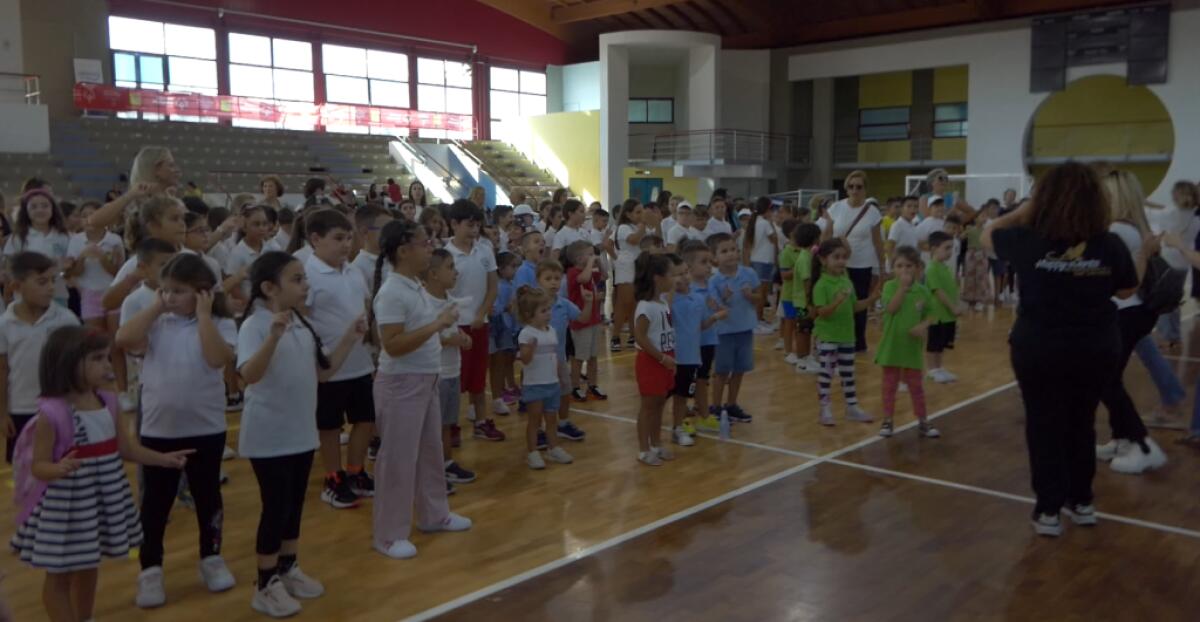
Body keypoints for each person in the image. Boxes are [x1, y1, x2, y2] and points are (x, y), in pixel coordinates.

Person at [984, 162, 1137, 536]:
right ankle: (1082, 501)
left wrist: (1024, 209)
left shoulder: (1026, 239)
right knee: (1081, 422)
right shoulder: (1110, 244)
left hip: (1039, 347)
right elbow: (1126, 290)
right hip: (1095, 346)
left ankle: (1049, 509)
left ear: (1044, 200)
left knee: (1043, 422)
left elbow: (988, 233)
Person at [11, 326, 190, 622]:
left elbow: (126, 449)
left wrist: (163, 459)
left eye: (107, 358)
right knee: (59, 576)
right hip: (67, 506)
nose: (108, 366)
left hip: (99, 500)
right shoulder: (53, 413)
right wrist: (57, 469)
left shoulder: (108, 402)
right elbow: (39, 466)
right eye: (97, 359)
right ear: (67, 363)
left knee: (88, 565)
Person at [237, 251, 364, 617]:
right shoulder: (256, 326)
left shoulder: (300, 324)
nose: (305, 285)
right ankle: (264, 584)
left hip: (300, 432)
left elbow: (324, 373)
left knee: (293, 506)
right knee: (274, 507)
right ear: (268, 288)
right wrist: (273, 338)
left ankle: (287, 566)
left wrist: (350, 338)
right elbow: (250, 375)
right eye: (297, 279)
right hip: (268, 435)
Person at [114, 253, 238, 608]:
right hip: (158, 431)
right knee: (155, 504)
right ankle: (150, 569)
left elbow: (217, 359)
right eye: (165, 291)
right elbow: (123, 339)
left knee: (207, 498)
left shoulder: (218, 323)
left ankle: (211, 557)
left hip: (205, 428)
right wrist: (156, 308)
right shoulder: (155, 322)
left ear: (202, 293)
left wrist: (202, 315)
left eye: (178, 291)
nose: (169, 297)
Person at [370, 219, 471, 560]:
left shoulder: (413, 287)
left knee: (430, 452)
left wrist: (445, 329)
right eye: (424, 243)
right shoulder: (392, 292)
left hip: (425, 381)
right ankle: (389, 534)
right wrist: (438, 325)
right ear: (403, 251)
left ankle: (434, 514)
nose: (430, 247)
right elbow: (393, 344)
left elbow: (425, 333)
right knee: (398, 461)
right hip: (401, 384)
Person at [1093, 168, 1169, 475]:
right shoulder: (1132, 228)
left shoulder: (1116, 231)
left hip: (1123, 313)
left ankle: (1142, 445)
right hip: (1134, 313)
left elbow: (1120, 285)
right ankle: (1122, 438)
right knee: (1111, 378)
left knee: (1104, 381)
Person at [302, 209, 378, 508]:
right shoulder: (308, 275)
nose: (346, 244)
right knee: (330, 426)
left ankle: (356, 471)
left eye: (348, 237)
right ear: (315, 239)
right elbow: (304, 320)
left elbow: (365, 306)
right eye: (338, 238)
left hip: (360, 361)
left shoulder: (353, 270)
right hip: (330, 366)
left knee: (365, 420)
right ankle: (333, 478)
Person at [2, 253, 82, 463]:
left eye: (53, 280)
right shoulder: (4, 324)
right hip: (21, 408)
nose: (50, 287)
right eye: (41, 282)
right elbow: (2, 370)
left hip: (62, 407)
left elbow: (78, 367)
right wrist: (3, 413)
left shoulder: (66, 320)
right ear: (16, 286)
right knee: (25, 474)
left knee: (61, 467)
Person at [444, 200, 502, 442]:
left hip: (480, 323)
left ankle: (480, 421)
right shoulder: (445, 254)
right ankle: (452, 425)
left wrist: (481, 314)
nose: (474, 229)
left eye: (477, 224)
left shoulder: (485, 250)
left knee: (479, 376)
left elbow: (493, 286)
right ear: (454, 224)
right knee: (455, 379)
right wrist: (452, 321)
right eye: (469, 224)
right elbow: (440, 290)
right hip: (455, 326)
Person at [422, 249, 478, 489]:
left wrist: (462, 337)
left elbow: (451, 331)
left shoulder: (448, 300)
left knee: (446, 423)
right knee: (432, 427)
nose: (456, 272)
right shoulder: (425, 302)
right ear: (434, 274)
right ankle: (430, 471)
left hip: (452, 369)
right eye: (449, 267)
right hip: (436, 372)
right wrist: (449, 339)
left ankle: (445, 464)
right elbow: (424, 337)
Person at [811, 238, 878, 426]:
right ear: (824, 260)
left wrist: (871, 300)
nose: (841, 261)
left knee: (848, 373)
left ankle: (852, 407)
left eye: (843, 257)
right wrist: (837, 301)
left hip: (847, 335)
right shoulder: (821, 285)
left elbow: (855, 306)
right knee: (826, 373)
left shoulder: (846, 281)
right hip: (828, 337)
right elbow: (822, 312)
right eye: (836, 257)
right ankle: (824, 408)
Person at [875, 246, 939, 439]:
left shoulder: (922, 291)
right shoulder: (889, 287)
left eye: (908, 266)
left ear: (917, 268)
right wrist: (902, 289)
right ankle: (887, 420)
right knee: (889, 386)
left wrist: (923, 325)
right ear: (893, 268)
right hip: (892, 347)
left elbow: (932, 313)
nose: (904, 270)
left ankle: (923, 421)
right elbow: (892, 309)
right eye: (899, 265)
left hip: (912, 348)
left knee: (916, 387)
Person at [516, 284, 578, 470]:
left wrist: (559, 373)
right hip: (535, 384)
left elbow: (555, 356)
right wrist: (531, 349)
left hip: (552, 383)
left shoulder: (551, 331)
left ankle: (554, 447)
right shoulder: (526, 333)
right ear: (529, 314)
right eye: (543, 310)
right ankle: (532, 452)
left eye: (548, 309)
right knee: (535, 420)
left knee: (551, 419)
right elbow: (525, 361)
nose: (548, 313)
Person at [824, 171, 885, 352]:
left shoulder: (872, 212)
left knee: (859, 303)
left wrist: (882, 265)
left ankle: (858, 341)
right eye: (851, 186)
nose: (854, 190)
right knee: (837, 300)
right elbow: (827, 234)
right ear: (846, 188)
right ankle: (837, 338)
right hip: (838, 263)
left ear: (865, 189)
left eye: (859, 186)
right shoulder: (836, 208)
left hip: (862, 264)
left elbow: (878, 242)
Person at [706, 232, 759, 425]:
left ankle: (732, 404)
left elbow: (759, 297)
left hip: (745, 329)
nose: (730, 254)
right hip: (724, 332)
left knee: (739, 370)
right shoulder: (713, 281)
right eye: (724, 251)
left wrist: (750, 296)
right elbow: (715, 307)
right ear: (714, 257)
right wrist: (726, 298)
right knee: (722, 371)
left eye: (733, 250)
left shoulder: (749, 273)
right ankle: (716, 406)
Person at [633, 253, 676, 466]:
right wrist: (661, 358)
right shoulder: (645, 306)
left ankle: (657, 443)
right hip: (652, 361)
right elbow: (640, 336)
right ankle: (643, 448)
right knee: (648, 405)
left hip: (665, 358)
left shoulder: (662, 302)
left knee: (660, 403)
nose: (674, 279)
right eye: (671, 275)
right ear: (658, 278)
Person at [4, 189, 71, 307]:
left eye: (45, 206)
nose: (40, 210)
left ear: (53, 209)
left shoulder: (64, 236)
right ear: (26, 212)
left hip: (57, 294)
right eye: (33, 207)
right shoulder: (19, 237)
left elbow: (71, 264)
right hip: (26, 296)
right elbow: (9, 267)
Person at [64, 203, 124, 332]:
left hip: (112, 292)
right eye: (84, 216)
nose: (88, 219)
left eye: (92, 214)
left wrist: (102, 258)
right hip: (89, 295)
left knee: (114, 338)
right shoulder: (76, 240)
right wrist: (82, 257)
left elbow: (117, 272)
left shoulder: (114, 240)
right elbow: (75, 272)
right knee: (94, 337)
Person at [564, 240, 607, 402]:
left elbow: (604, 275)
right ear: (578, 258)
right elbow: (585, 277)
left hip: (594, 319)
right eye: (589, 254)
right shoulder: (573, 272)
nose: (592, 257)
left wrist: (599, 262)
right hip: (580, 322)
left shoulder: (589, 270)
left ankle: (592, 384)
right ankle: (574, 386)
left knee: (593, 356)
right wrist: (590, 263)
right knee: (578, 356)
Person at [925, 231, 964, 384]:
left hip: (947, 314)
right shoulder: (932, 268)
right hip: (937, 314)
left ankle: (940, 368)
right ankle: (932, 370)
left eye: (951, 248)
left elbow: (951, 289)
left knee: (941, 343)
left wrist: (956, 305)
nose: (950, 252)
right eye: (946, 248)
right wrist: (952, 307)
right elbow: (938, 291)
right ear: (934, 249)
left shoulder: (945, 267)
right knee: (934, 343)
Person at [611, 199, 646, 351]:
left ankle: (633, 335)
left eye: (642, 211)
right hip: (626, 267)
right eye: (638, 212)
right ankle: (615, 336)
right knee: (624, 304)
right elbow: (634, 240)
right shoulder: (624, 227)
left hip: (638, 267)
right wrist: (616, 257)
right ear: (628, 214)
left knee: (635, 304)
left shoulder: (636, 226)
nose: (641, 215)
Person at [790, 223, 823, 374]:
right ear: (815, 238)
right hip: (804, 302)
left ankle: (807, 357)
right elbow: (807, 282)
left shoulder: (809, 256)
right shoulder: (805, 258)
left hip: (805, 301)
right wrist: (810, 303)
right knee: (803, 330)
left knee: (807, 329)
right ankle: (802, 361)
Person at [743, 197, 779, 331]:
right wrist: (771, 223)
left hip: (755, 260)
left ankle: (758, 318)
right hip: (764, 261)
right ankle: (757, 321)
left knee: (758, 292)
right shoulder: (764, 223)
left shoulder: (754, 222)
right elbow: (774, 239)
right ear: (768, 209)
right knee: (761, 293)